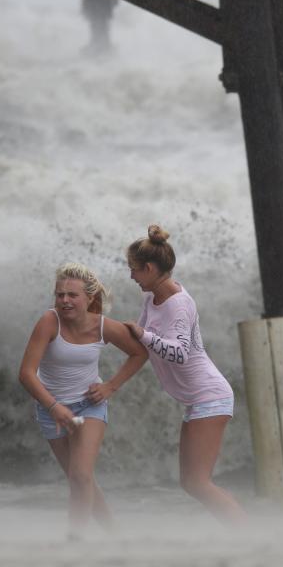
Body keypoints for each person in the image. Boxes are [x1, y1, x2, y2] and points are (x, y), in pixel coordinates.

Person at [104, 225, 247, 524]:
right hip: (198, 400)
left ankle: (246, 534)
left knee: (198, 483)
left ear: (150, 268)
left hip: (211, 396)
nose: (131, 276)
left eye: (134, 270)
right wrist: (99, 329)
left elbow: (178, 352)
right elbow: (140, 346)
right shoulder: (152, 297)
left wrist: (142, 334)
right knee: (191, 483)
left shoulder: (178, 304)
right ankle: (240, 532)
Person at [19, 262, 147, 536]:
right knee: (79, 479)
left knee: (80, 476)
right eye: (59, 294)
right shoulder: (48, 322)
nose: (64, 300)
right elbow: (26, 374)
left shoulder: (103, 327)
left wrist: (111, 386)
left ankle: (74, 539)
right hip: (50, 408)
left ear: (89, 298)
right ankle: (116, 534)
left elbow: (139, 353)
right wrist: (53, 407)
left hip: (89, 405)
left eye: (72, 295)